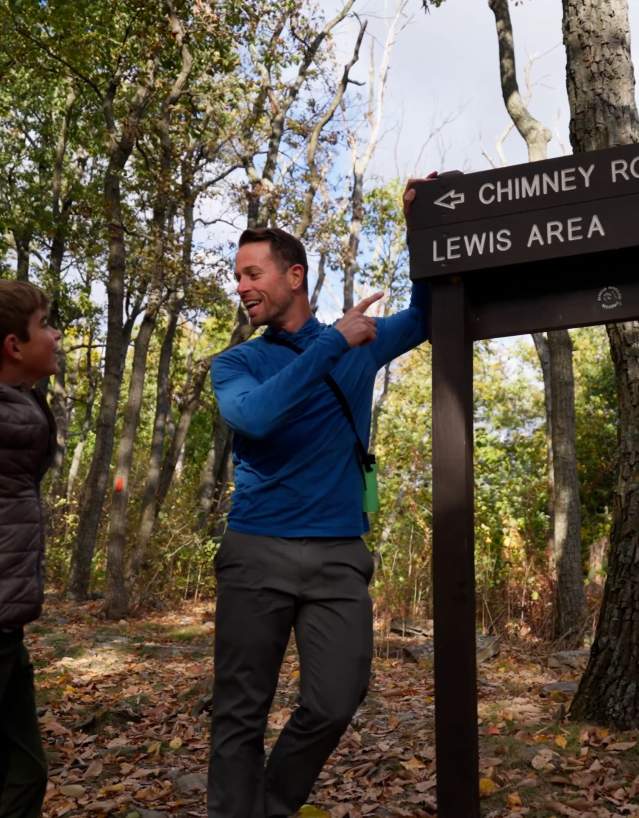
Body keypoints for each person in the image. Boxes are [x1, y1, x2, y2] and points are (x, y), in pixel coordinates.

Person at [208, 181, 431, 818]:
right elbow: (254, 417)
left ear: (294, 275)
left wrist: (418, 228)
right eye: (238, 276)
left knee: (336, 698)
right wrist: (333, 341)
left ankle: (271, 807)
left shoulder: (358, 341)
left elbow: (424, 316)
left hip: (338, 554)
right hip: (256, 551)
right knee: (239, 714)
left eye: (253, 274)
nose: (242, 286)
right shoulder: (237, 365)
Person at [0, 280, 60, 818]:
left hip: (7, 620)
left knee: (25, 770)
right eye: (45, 324)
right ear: (14, 345)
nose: (57, 334)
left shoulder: (22, 409)